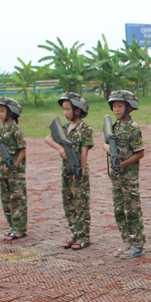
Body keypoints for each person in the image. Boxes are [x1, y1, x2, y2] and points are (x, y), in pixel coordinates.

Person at [45, 92, 93, 250]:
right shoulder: (64, 128)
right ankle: (75, 234)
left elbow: (84, 151)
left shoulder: (85, 128)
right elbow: (48, 138)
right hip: (66, 171)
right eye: (63, 109)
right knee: (69, 204)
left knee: (81, 204)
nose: (64, 112)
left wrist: (82, 172)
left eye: (67, 109)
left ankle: (84, 236)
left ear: (78, 110)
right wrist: (60, 148)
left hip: (78, 172)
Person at [104, 90, 146, 259]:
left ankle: (137, 245)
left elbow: (140, 153)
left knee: (132, 211)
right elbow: (106, 145)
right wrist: (107, 149)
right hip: (116, 179)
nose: (116, 109)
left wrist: (122, 165)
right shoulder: (114, 127)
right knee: (119, 211)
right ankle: (127, 242)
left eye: (120, 106)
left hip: (129, 178)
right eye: (114, 106)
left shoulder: (133, 128)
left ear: (129, 107)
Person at [0, 97, 28, 241]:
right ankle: (12, 227)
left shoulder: (16, 130)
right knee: (6, 200)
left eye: (2, 111)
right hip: (3, 172)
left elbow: (22, 149)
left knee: (17, 199)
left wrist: (15, 165)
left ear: (11, 112)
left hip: (15, 173)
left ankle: (20, 229)